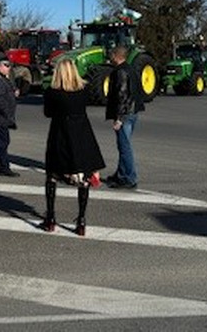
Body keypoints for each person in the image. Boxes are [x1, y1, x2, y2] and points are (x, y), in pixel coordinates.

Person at [41, 59, 105, 236]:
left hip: (60, 134)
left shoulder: (52, 92)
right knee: (83, 179)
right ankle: (81, 220)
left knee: (52, 176)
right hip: (82, 133)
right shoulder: (83, 90)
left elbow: (48, 113)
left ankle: (51, 218)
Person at [104, 45, 144, 189]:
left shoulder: (120, 72)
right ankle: (121, 174)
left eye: (111, 55)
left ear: (116, 56)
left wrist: (119, 118)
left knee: (124, 146)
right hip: (133, 112)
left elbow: (122, 95)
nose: (109, 58)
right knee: (123, 145)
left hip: (125, 114)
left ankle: (129, 177)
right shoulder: (131, 69)